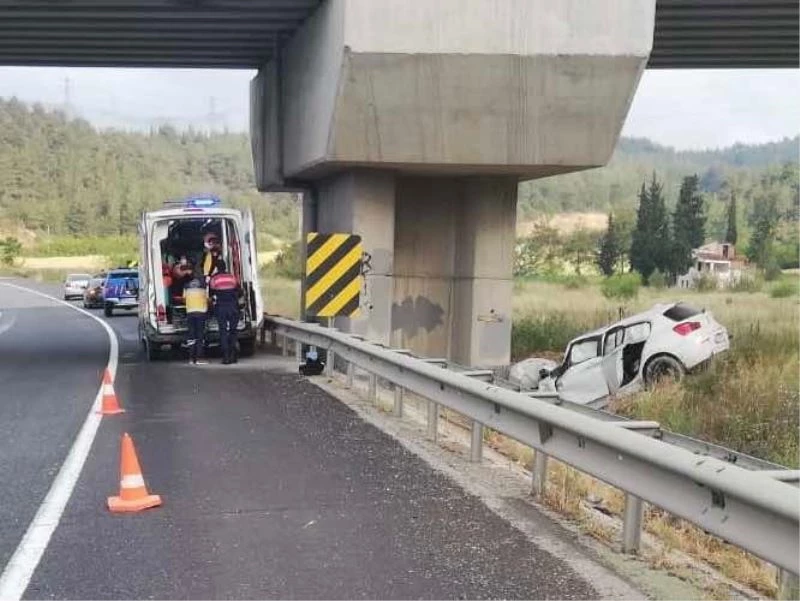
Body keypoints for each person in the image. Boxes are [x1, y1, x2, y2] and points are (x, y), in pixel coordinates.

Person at [209, 269, 241, 365]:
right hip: (233, 308)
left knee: (223, 331)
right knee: (233, 331)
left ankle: (226, 357)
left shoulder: (214, 279)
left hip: (221, 308)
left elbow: (211, 294)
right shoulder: (232, 278)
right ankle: (233, 355)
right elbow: (239, 292)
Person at [184, 278, 209, 365]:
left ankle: (191, 358)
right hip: (201, 313)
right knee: (200, 335)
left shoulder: (186, 288)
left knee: (191, 336)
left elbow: (183, 299)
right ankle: (199, 358)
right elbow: (208, 299)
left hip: (190, 312)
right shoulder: (203, 288)